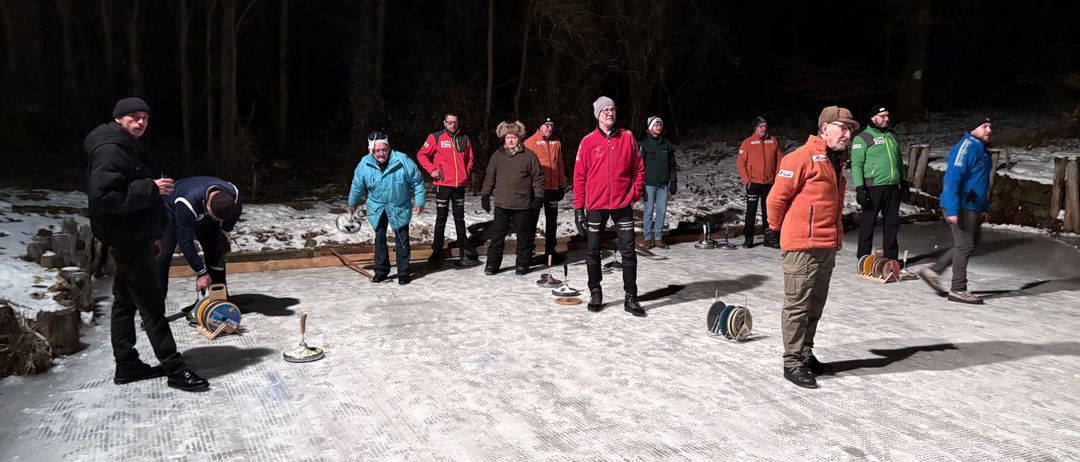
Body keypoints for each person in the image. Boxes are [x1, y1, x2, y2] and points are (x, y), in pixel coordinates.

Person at [84, 97, 208, 391]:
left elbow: (126, 190)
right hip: (127, 239)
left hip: (134, 235)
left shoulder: (126, 145)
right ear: (118, 119)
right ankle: (175, 369)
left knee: (125, 302)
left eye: (144, 117)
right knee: (152, 306)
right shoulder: (111, 150)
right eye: (133, 117)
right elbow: (104, 197)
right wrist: (150, 187)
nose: (140, 122)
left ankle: (126, 364)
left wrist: (151, 231)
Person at [766, 105, 857, 389]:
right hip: (801, 246)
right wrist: (776, 229)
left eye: (850, 130)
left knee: (815, 305)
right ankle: (791, 362)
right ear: (824, 128)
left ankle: (805, 353)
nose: (847, 134)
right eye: (842, 128)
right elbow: (776, 199)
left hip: (825, 244)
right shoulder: (800, 158)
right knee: (797, 305)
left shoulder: (835, 161)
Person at [573, 96, 647, 317]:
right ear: (597, 115)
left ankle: (631, 297)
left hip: (622, 204)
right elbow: (579, 177)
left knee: (628, 252)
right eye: (605, 110)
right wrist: (579, 209)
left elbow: (639, 169)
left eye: (612, 110)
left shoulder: (627, 137)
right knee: (593, 251)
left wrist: (633, 194)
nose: (609, 113)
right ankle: (595, 292)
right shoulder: (587, 141)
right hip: (595, 205)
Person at [918, 117, 994, 304]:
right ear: (973, 128)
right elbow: (952, 180)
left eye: (990, 126)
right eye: (984, 126)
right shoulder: (965, 148)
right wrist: (952, 209)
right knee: (965, 245)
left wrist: (983, 207)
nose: (989, 130)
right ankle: (958, 289)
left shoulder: (984, 152)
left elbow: (982, 184)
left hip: (973, 206)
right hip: (960, 205)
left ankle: (933, 271)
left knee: (970, 242)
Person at [348, 132, 426, 285]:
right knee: (379, 239)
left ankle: (403, 272)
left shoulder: (402, 161)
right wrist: (352, 203)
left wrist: (419, 201)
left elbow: (417, 181)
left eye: (384, 149)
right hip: (377, 207)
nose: (381, 153)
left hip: (399, 205)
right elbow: (357, 186)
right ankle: (381, 271)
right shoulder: (364, 164)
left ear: (389, 148)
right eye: (378, 151)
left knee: (402, 239)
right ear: (371, 151)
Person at [156, 176, 242, 303]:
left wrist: (224, 231)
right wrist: (201, 273)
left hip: (204, 214)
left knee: (215, 249)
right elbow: (185, 242)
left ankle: (219, 300)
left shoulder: (234, 194)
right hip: (171, 214)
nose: (217, 221)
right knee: (162, 258)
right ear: (207, 206)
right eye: (215, 218)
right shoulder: (187, 203)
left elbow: (235, 214)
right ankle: (155, 313)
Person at [480, 121, 545, 275]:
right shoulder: (497, 155)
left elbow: (538, 178)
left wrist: (538, 197)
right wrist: (485, 195)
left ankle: (522, 264)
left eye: (513, 137)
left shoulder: (529, 156)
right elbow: (490, 177)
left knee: (524, 237)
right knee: (497, 237)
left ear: (519, 138)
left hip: (522, 205)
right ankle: (492, 265)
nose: (510, 140)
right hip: (502, 204)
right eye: (508, 137)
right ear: (504, 138)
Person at [416, 113, 479, 266]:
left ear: (458, 123)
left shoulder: (464, 138)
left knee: (459, 219)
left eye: (454, 122)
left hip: (459, 186)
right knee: (441, 218)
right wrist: (431, 170)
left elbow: (470, 158)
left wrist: (465, 172)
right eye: (449, 122)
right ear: (444, 123)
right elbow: (421, 155)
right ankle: (436, 251)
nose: (452, 125)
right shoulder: (435, 137)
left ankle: (464, 251)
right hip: (443, 185)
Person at [851, 105, 907, 260]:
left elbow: (899, 161)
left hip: (893, 187)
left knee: (892, 224)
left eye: (887, 115)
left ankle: (891, 259)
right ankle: (863, 258)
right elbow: (856, 164)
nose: (886, 119)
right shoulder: (862, 138)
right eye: (882, 116)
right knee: (868, 225)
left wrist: (904, 181)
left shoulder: (892, 137)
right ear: (873, 118)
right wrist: (860, 188)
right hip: (873, 188)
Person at [524, 116, 568, 263]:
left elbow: (560, 164)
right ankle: (527, 253)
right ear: (539, 126)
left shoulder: (557, 142)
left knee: (552, 222)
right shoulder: (529, 143)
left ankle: (550, 252)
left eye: (551, 125)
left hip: (552, 189)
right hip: (535, 190)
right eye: (546, 125)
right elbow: (525, 168)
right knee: (531, 222)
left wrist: (561, 184)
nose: (549, 128)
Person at [737, 116, 783, 248]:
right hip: (753, 183)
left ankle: (768, 240)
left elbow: (780, 159)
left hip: (769, 183)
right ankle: (748, 239)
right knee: (751, 212)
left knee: (768, 213)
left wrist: (777, 176)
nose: (764, 129)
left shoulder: (773, 141)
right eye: (761, 126)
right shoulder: (747, 143)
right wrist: (747, 181)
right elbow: (741, 163)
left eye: (765, 126)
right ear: (755, 128)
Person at [639, 116, 677, 249]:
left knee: (661, 211)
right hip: (649, 184)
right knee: (648, 211)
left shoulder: (666, 144)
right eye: (656, 125)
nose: (659, 127)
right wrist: (639, 185)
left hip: (663, 185)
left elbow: (672, 164)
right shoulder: (643, 144)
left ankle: (659, 238)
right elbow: (639, 166)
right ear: (650, 127)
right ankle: (648, 238)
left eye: (660, 125)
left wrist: (673, 180)